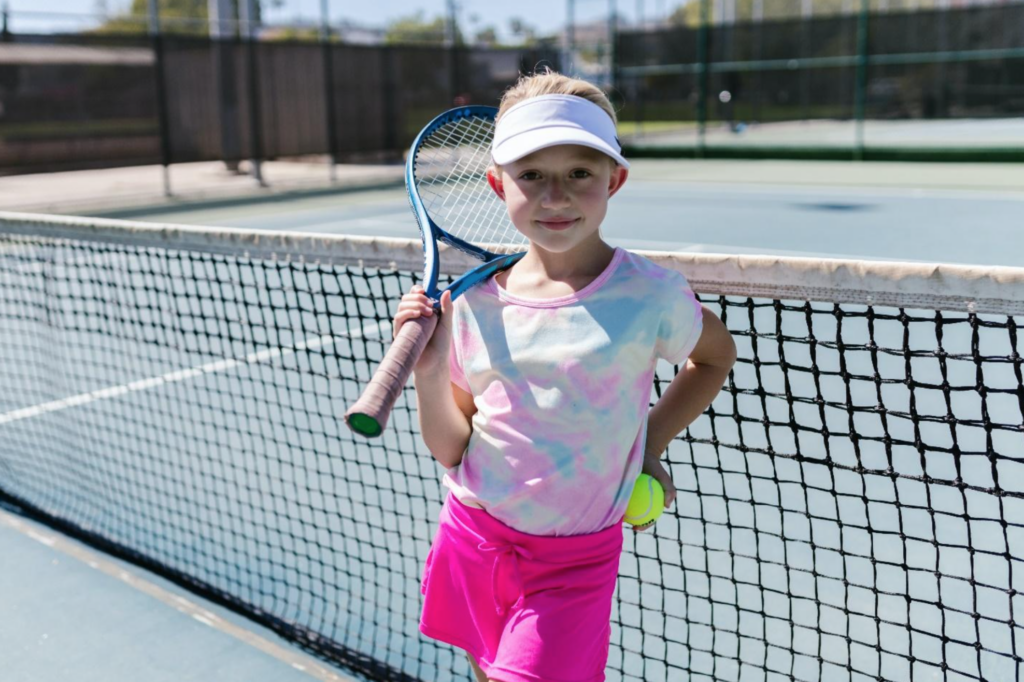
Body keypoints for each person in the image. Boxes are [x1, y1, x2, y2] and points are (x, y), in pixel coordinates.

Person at [393, 71, 737, 682]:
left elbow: (713, 356)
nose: (556, 196)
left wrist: (649, 442)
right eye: (532, 175)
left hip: (575, 564)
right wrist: (429, 369)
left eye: (580, 173)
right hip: (474, 536)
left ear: (615, 180)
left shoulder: (651, 295)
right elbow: (452, 446)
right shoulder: (473, 304)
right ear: (500, 185)